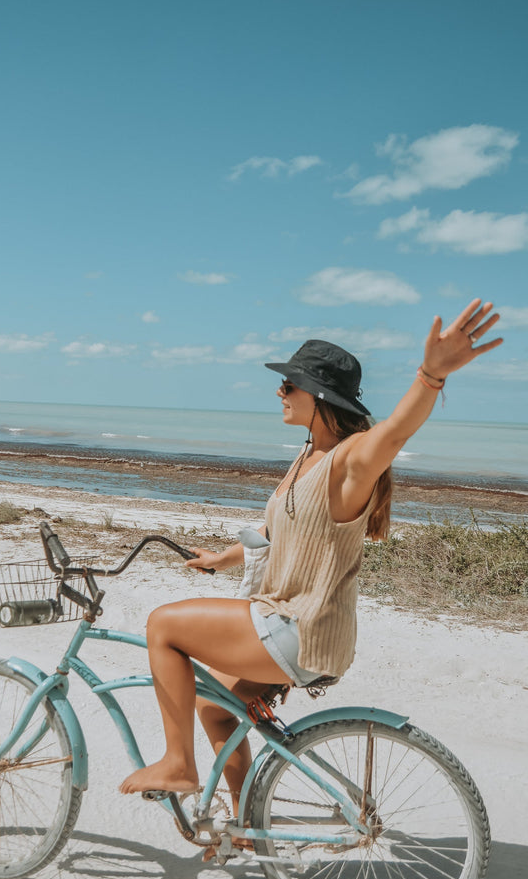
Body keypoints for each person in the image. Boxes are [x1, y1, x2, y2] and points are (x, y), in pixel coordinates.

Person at [119, 298, 502, 804]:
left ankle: (177, 764)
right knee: (214, 706)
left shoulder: (348, 462)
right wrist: (222, 558)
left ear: (318, 395)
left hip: (299, 628)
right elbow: (280, 531)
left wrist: (431, 375)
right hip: (292, 624)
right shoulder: (308, 455)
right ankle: (247, 823)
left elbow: (395, 432)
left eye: (289, 384)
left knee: (163, 625)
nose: (279, 391)